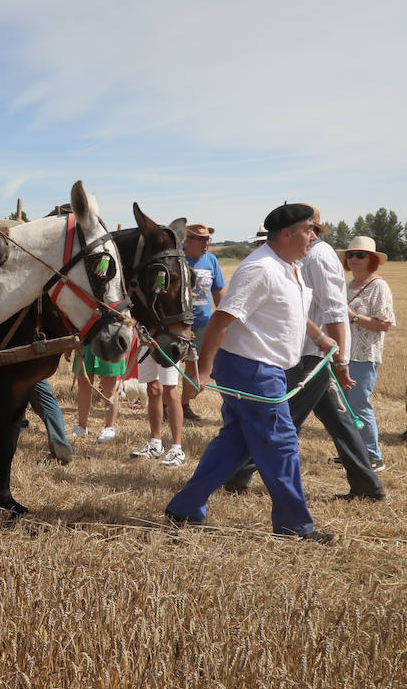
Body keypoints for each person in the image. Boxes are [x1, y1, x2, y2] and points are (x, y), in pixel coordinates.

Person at [164, 203, 334, 542]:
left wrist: (317, 335)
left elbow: (291, 313)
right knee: (281, 444)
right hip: (252, 370)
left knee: (235, 443)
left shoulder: (290, 267)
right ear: (286, 233)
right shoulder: (261, 269)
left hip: (262, 367)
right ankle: (294, 526)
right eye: (309, 229)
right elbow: (220, 320)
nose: (313, 236)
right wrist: (203, 371)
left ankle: (183, 508)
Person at [223, 208, 384, 501]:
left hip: (311, 354)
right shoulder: (297, 257)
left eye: (311, 230)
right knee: (337, 419)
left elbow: (334, 310)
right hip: (304, 350)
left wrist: (340, 360)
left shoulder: (320, 257)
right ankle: (367, 485)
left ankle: (238, 474)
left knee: (280, 418)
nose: (309, 235)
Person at [341, 236, 394, 469]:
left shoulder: (378, 286)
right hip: (342, 354)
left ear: (371, 259)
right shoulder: (346, 285)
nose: (353, 259)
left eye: (360, 255)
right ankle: (354, 453)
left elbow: (385, 324)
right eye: (350, 255)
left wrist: (353, 316)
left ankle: (373, 456)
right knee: (344, 406)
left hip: (364, 355)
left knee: (360, 403)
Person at [179, 224, 225, 421]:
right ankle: (166, 405)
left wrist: (224, 315)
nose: (207, 243)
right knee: (170, 365)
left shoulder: (211, 260)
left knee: (193, 365)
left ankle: (183, 405)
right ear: (189, 240)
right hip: (179, 323)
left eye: (208, 239)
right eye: (202, 239)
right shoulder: (178, 259)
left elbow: (218, 290)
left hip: (202, 324)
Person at [130, 348, 186, 465]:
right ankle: (155, 444)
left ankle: (177, 450)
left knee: (170, 390)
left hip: (168, 339)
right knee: (152, 389)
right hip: (147, 339)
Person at [71, 349, 124, 442]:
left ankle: (109, 428)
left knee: (109, 381)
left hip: (110, 339)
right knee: (83, 379)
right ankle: (81, 427)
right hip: (86, 338)